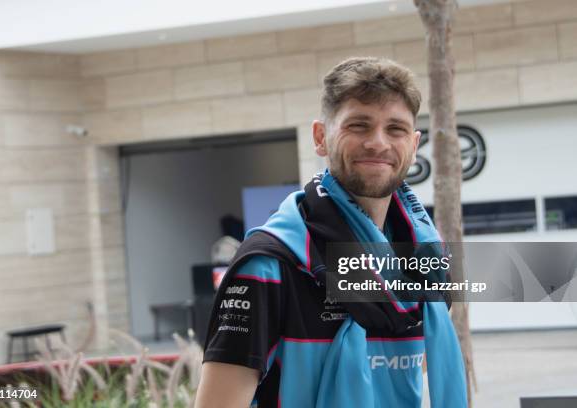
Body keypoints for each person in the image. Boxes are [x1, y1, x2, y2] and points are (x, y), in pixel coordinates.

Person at [194, 57, 467, 408]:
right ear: (321, 137)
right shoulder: (269, 266)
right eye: (359, 125)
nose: (378, 143)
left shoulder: (428, 263)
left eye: (395, 129)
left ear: (413, 146)